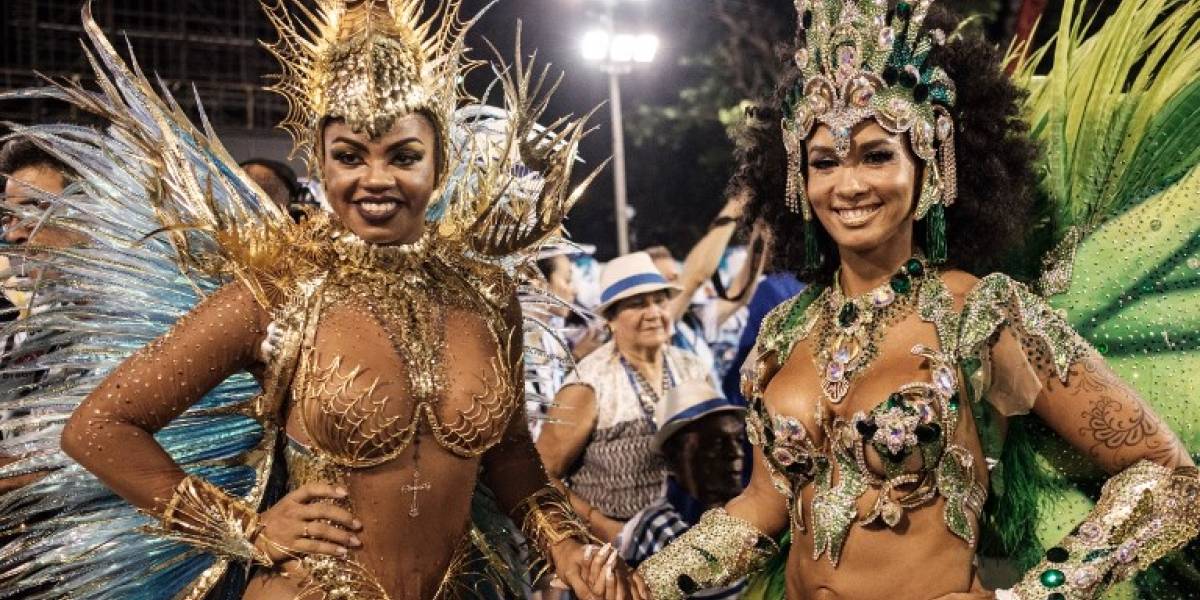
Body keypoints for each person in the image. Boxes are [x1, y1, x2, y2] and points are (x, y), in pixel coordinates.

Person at [0, 2, 649, 599]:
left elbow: (507, 453)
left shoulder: (485, 292)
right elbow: (100, 428)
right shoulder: (279, 292)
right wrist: (242, 529)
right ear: (321, 158)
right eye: (349, 156)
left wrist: (562, 545)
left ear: (438, 160)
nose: (374, 179)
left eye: (403, 154)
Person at [637, 1, 1200, 599]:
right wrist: (648, 581)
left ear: (929, 166)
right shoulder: (783, 329)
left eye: (877, 155)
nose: (848, 185)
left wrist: (1035, 593)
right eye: (824, 162)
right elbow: (760, 509)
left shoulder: (977, 314)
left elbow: (1169, 477)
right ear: (799, 181)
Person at [536, 252, 713, 543]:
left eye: (660, 301)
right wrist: (603, 526)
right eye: (637, 304)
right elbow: (543, 474)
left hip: (694, 542)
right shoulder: (588, 383)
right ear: (611, 320)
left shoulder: (691, 368)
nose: (654, 312)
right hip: (619, 555)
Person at [617, 380, 746, 598]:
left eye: (739, 440)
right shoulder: (654, 529)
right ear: (674, 457)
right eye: (716, 443)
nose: (736, 453)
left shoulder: (748, 515)